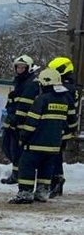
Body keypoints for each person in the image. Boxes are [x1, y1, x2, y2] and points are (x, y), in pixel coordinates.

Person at [9, 68, 69, 204]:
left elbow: (31, 122)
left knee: (26, 165)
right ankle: (42, 192)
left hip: (36, 144)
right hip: (54, 146)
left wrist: (23, 137)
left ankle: (25, 193)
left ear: (45, 83)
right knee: (46, 168)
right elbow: (65, 124)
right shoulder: (64, 101)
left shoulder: (42, 100)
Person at [0, 55, 37, 184]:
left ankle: (18, 175)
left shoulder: (31, 83)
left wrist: (16, 120)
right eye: (18, 67)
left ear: (29, 68)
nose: (20, 69)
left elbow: (24, 105)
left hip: (21, 124)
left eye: (23, 67)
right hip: (13, 121)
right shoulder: (20, 81)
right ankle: (17, 173)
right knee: (7, 147)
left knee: (17, 150)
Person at [46, 57, 79, 197]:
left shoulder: (65, 88)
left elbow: (69, 110)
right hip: (64, 128)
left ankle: (56, 181)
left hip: (59, 127)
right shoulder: (71, 87)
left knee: (54, 155)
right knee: (56, 154)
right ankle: (56, 182)